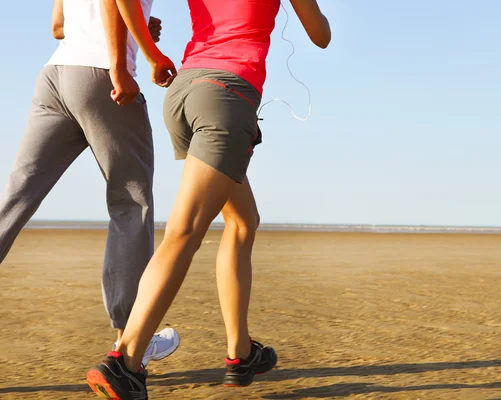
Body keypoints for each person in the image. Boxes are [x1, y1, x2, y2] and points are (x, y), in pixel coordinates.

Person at [86, 0, 330, 398]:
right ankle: (124, 361)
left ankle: (241, 352)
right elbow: (321, 36)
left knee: (242, 221)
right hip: (226, 96)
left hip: (185, 92)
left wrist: (150, 50)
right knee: (183, 232)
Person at [0, 0, 181, 394]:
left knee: (17, 193)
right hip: (103, 73)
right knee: (130, 205)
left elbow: (58, 26)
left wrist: (135, 30)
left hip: (55, 74)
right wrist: (135, 58)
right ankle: (129, 340)